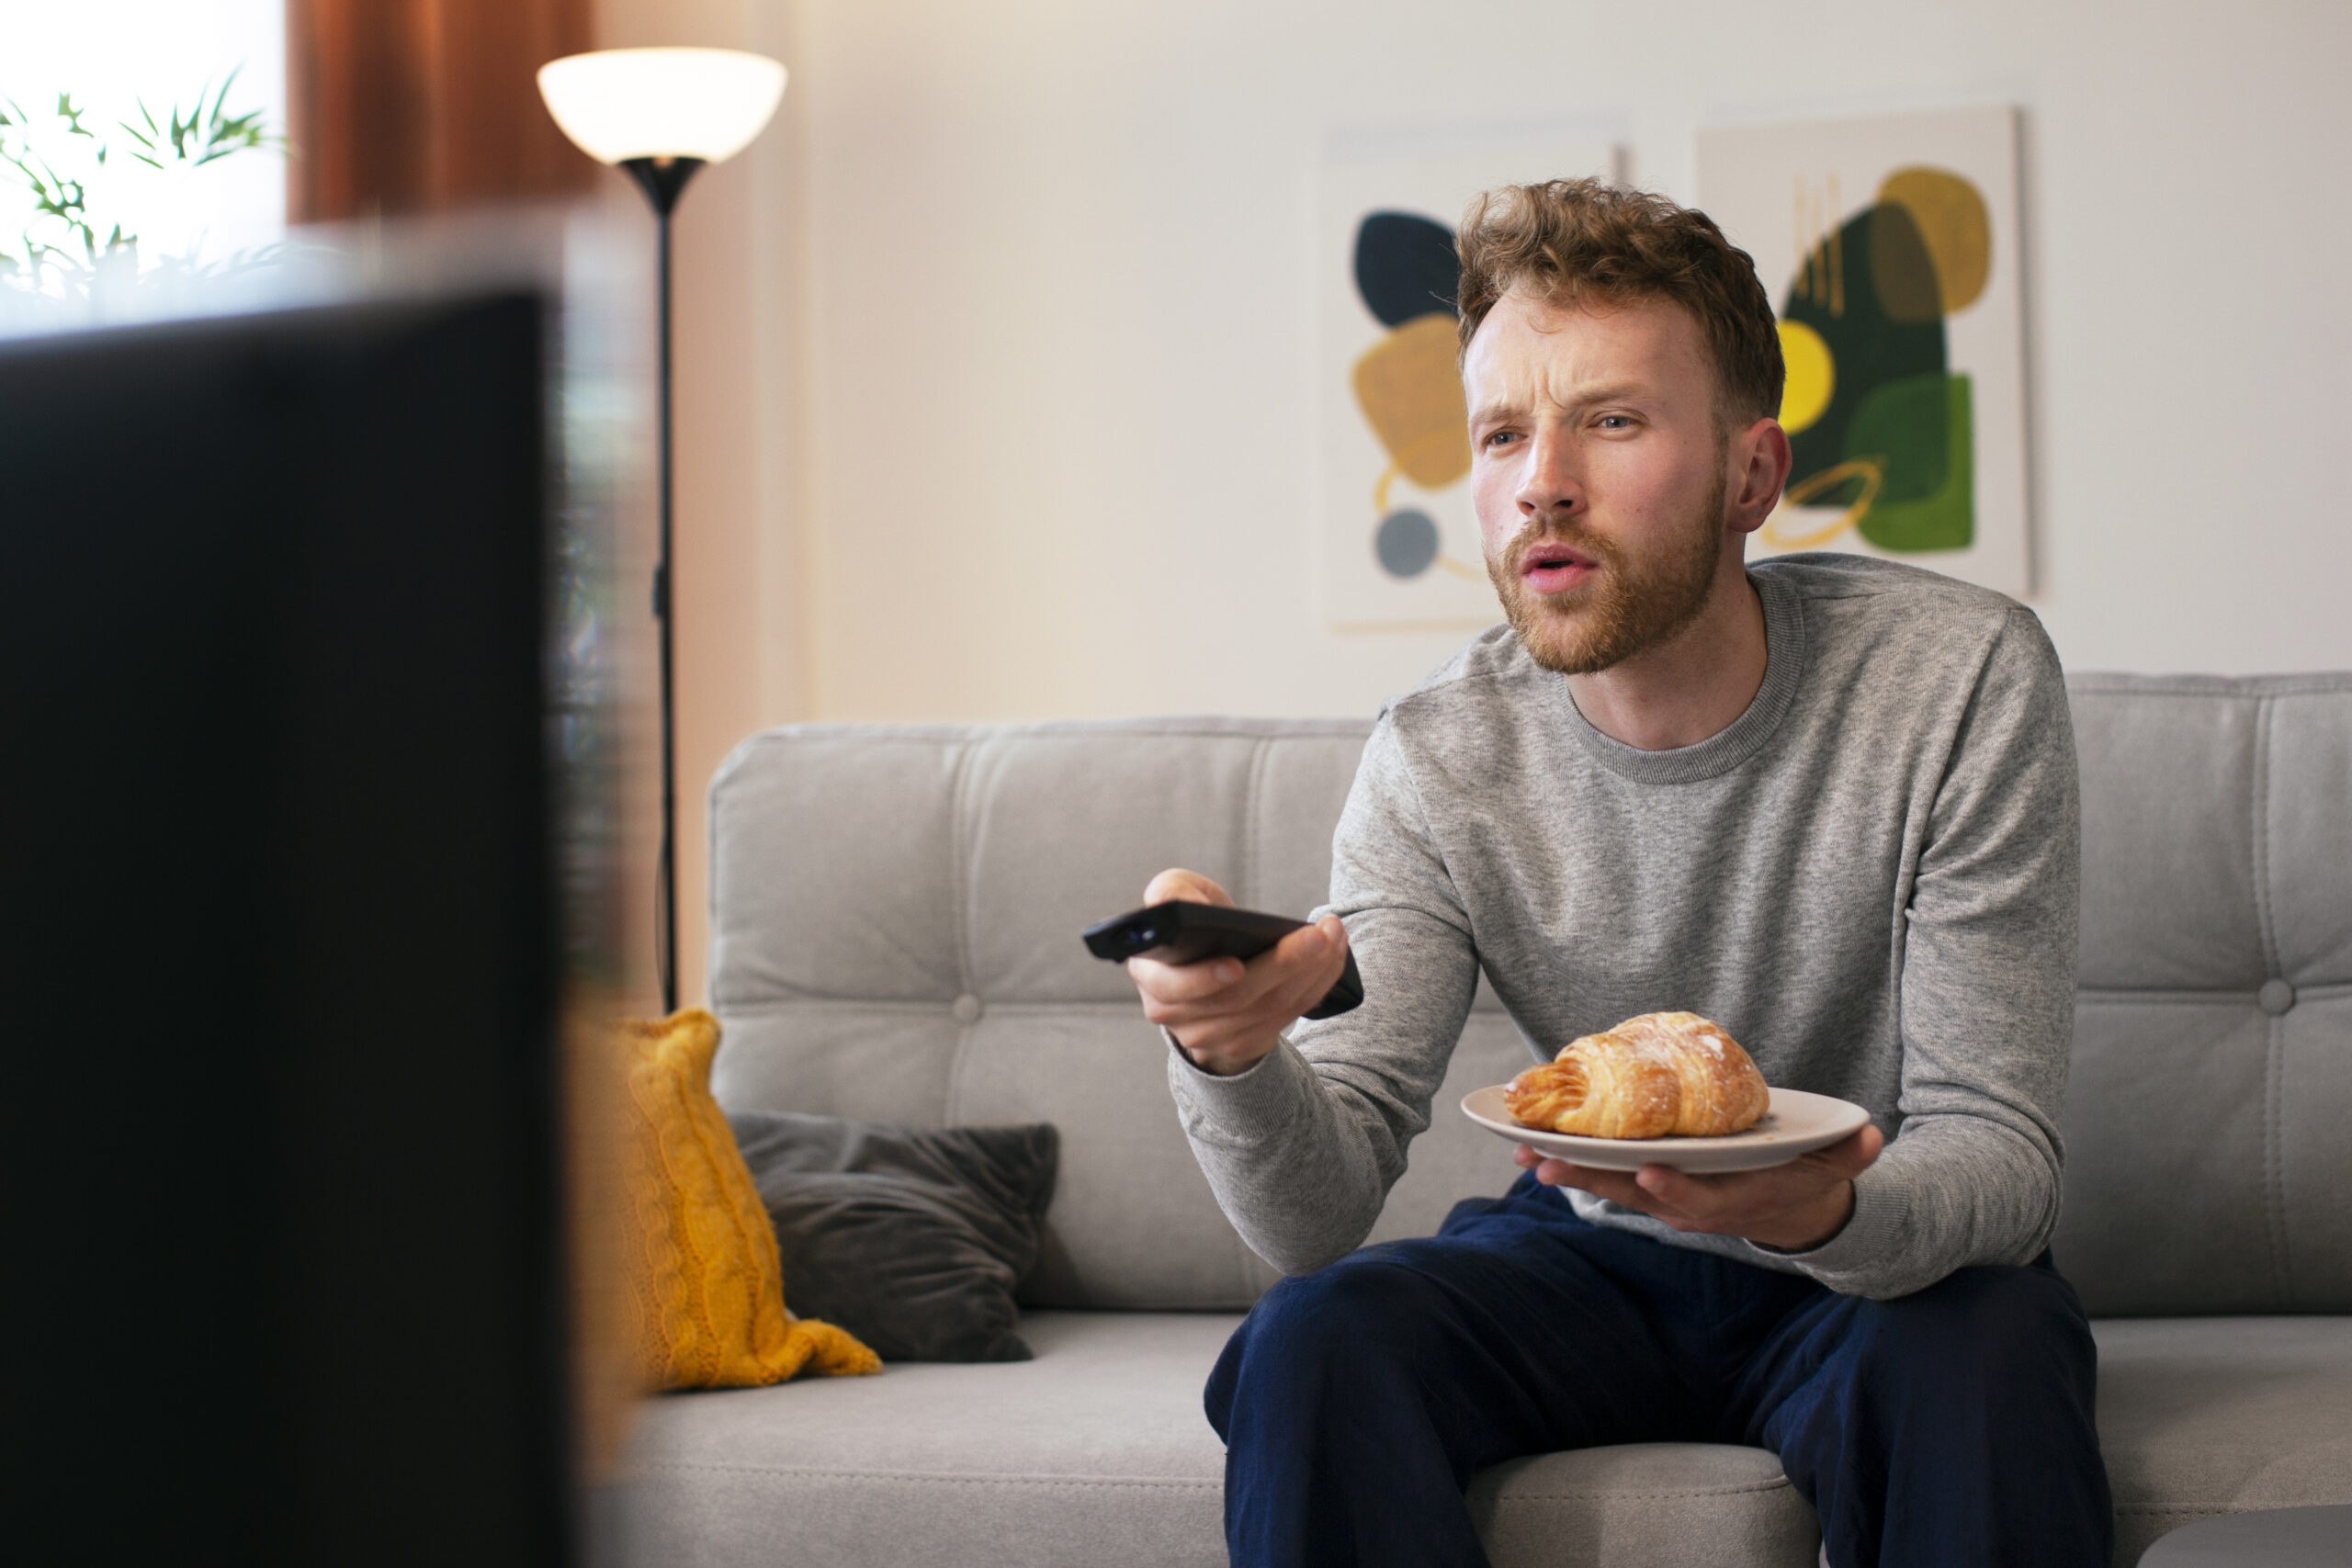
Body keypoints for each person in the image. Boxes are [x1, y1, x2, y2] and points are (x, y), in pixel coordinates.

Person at [1125, 178, 2112, 1568]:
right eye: (1502, 433)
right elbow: (1316, 1209)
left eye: (1612, 420)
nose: (1543, 479)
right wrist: (1231, 1055)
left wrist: (1823, 1209)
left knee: (1992, 1345)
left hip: (1881, 1252)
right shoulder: (1436, 756)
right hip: (1587, 1252)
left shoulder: (1957, 681)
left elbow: (1998, 1153)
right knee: (1315, 1338)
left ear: (1752, 476)